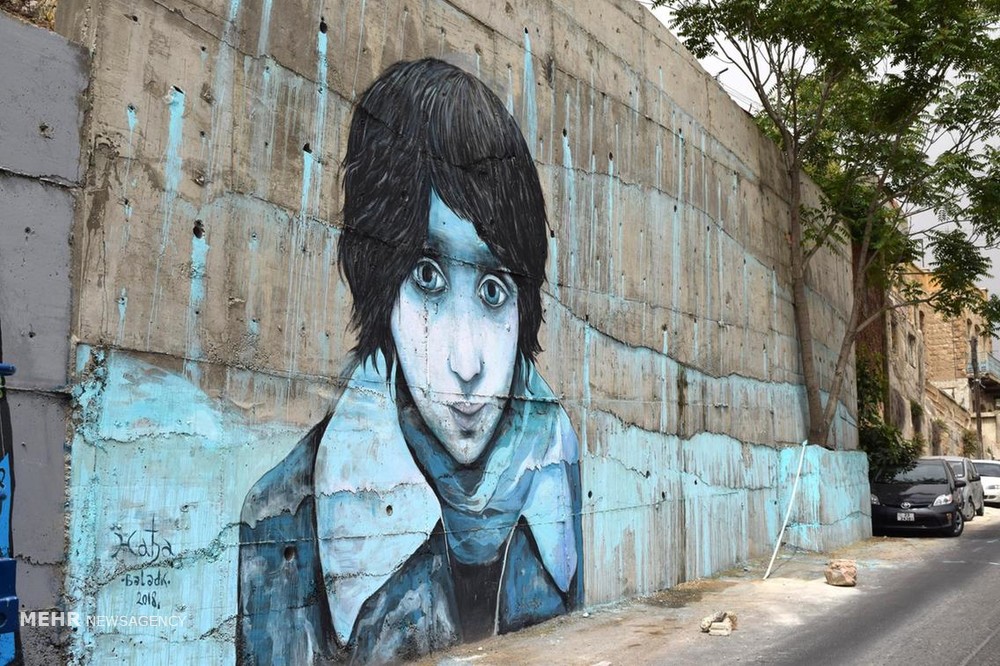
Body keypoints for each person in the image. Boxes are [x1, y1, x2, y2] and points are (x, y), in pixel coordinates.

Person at [237, 58, 583, 665]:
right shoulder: (284, 521)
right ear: (381, 285)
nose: (467, 363)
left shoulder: (556, 463)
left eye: (494, 290)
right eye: (426, 277)